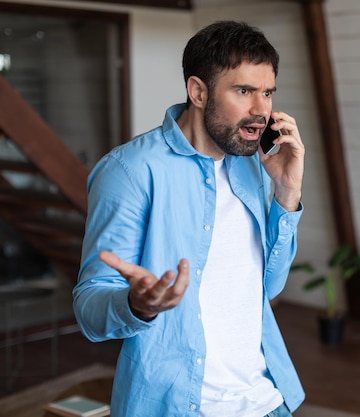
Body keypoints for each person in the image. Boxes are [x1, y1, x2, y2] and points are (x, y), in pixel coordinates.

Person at [73, 21, 305, 417]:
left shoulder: (251, 166)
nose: (262, 111)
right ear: (198, 91)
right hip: (180, 407)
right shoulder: (129, 171)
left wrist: (286, 193)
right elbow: (89, 310)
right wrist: (138, 304)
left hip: (268, 400)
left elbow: (266, 288)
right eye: (244, 91)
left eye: (267, 92)